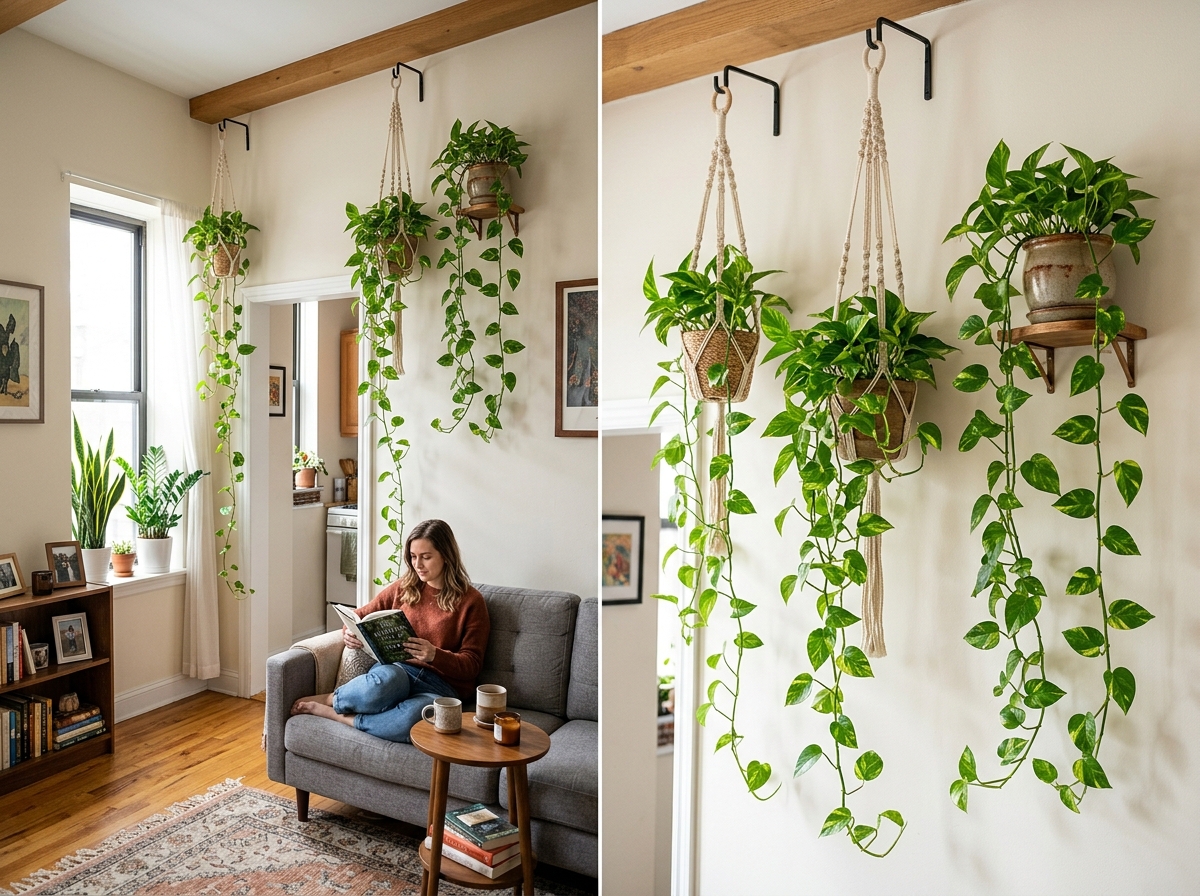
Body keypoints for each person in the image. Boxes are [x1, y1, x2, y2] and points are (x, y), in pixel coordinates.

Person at [291, 519, 490, 743]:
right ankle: (333, 699)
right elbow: (360, 614)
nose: (418, 564)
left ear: (446, 555)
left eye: (426, 557)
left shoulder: (471, 601)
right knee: (386, 681)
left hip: (440, 688)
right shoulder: (405, 587)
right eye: (413, 557)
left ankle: (346, 719)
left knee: (412, 719)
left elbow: (472, 665)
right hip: (398, 672)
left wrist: (435, 655)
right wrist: (349, 630)